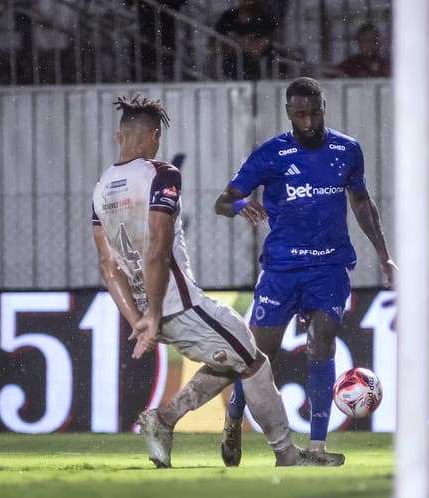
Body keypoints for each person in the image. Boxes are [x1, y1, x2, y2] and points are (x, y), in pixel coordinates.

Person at [91, 94, 335, 469]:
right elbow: (157, 249)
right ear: (155, 136)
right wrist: (155, 313)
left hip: (150, 308)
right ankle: (287, 454)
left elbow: (108, 266)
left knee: (235, 357)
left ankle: (164, 419)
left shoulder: (102, 188)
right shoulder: (161, 174)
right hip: (179, 303)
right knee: (255, 362)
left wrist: (138, 317)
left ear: (117, 136)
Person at [215, 77, 396, 467]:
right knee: (260, 356)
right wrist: (242, 203)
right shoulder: (271, 154)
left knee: (322, 342)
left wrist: (384, 255)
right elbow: (222, 200)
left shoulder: (347, 150)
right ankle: (233, 419)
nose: (309, 121)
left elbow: (362, 203)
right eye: (301, 114)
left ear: (323, 106)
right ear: (288, 113)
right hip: (282, 267)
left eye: (315, 112)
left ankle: (315, 448)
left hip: (329, 266)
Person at [214, 0, 280, 80]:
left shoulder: (265, 18)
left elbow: (263, 45)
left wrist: (234, 43)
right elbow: (214, 43)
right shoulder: (228, 17)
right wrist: (247, 44)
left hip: (259, 73)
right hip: (229, 72)